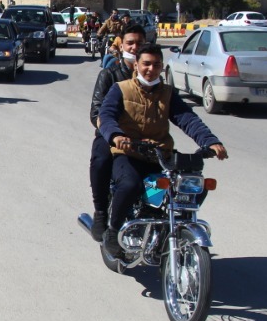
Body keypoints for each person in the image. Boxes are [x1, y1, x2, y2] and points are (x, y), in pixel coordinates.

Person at [98, 45, 229, 259]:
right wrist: (116, 136)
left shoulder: (168, 93)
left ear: (161, 67)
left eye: (156, 64)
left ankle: (170, 227)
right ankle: (113, 232)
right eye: (146, 64)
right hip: (129, 153)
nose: (151, 69)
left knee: (194, 187)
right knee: (130, 185)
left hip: (159, 155)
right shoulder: (121, 89)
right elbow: (106, 115)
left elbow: (188, 119)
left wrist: (210, 141)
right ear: (137, 65)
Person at [86, 24, 146, 241]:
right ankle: (101, 212)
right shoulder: (109, 74)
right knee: (101, 160)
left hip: (143, 136)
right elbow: (96, 112)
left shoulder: (151, 75)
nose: (135, 47)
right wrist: (113, 133)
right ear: (121, 46)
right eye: (130, 43)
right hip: (111, 135)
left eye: (139, 43)